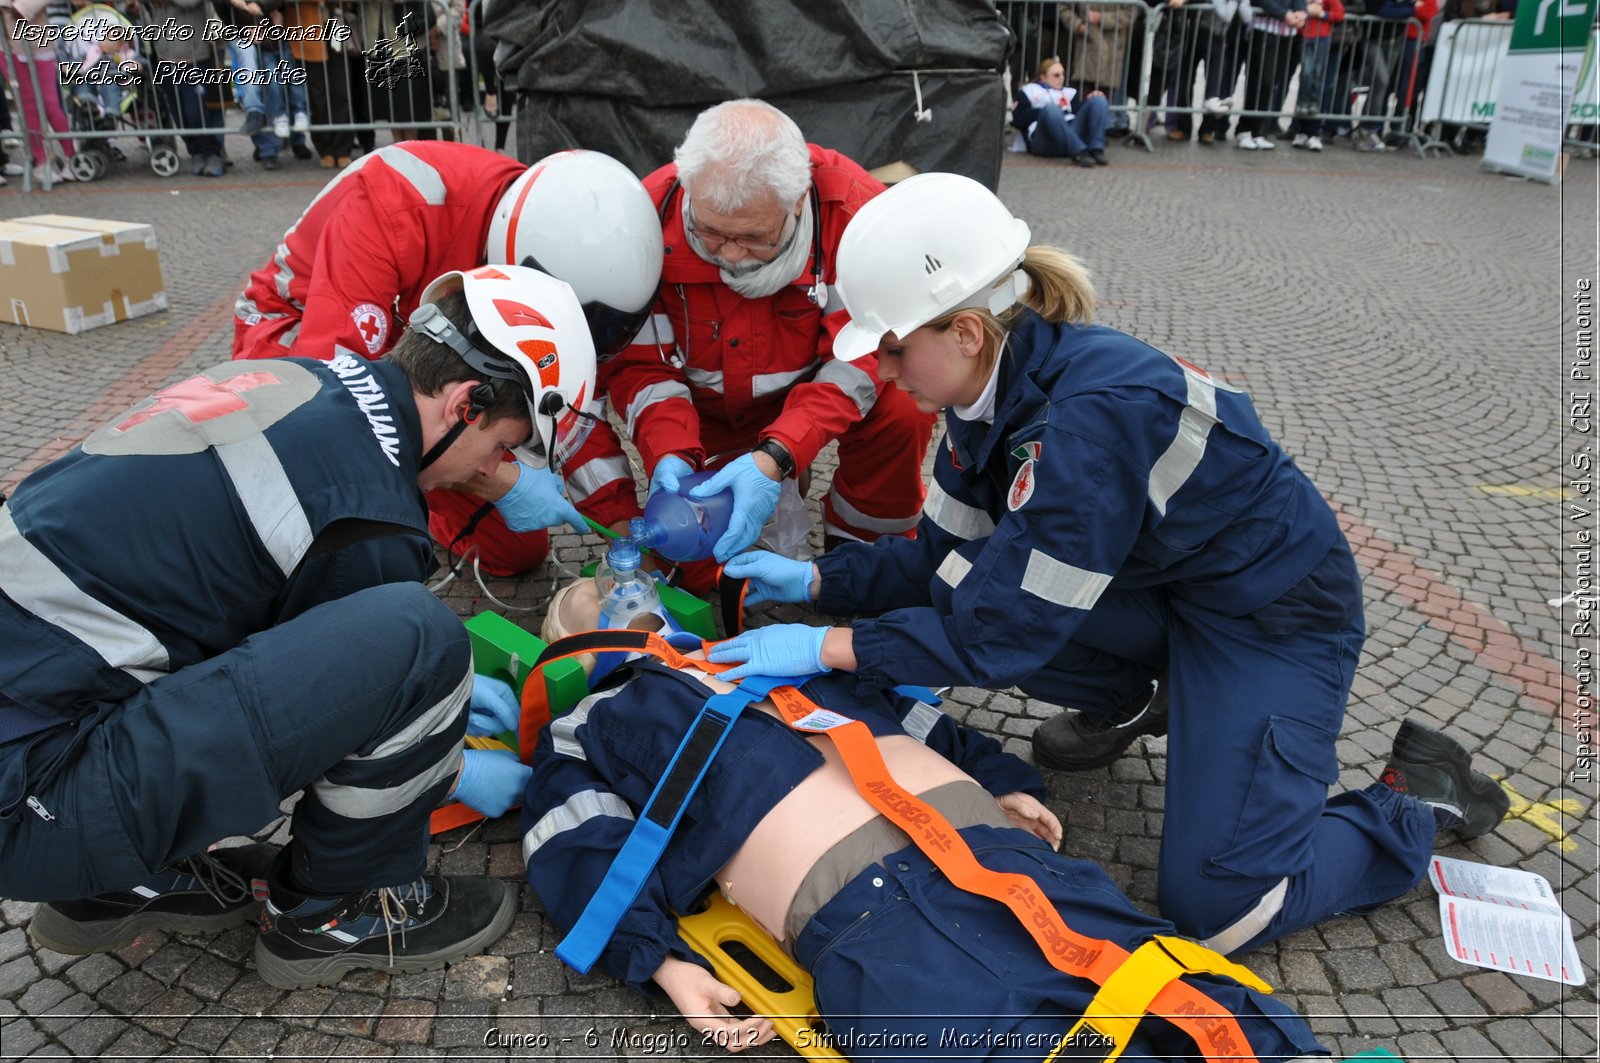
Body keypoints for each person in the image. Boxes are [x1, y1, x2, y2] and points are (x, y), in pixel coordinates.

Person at [706, 174, 1511, 957]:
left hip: (1275, 619)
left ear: (966, 333)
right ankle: (1149, 693)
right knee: (979, 584)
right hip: (1171, 593)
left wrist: (829, 648)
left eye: (892, 348)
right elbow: (943, 563)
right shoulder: (980, 395)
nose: (881, 371)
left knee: (1223, 907)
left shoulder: (1087, 421)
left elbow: (1001, 631)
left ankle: (1414, 802)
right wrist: (819, 582)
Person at [0, 265, 597, 988]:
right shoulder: (368, 520)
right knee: (421, 642)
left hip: (37, 705)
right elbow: (341, 699)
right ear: (466, 404)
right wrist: (453, 768)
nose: (497, 468)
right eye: (505, 446)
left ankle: (117, 877)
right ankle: (333, 909)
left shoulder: (300, 380)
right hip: (33, 790)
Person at [520, 576, 1330, 1062]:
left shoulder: (765, 652)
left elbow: (922, 722)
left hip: (998, 857)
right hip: (864, 919)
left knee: (1171, 981)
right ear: (576, 647)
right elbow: (581, 842)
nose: (626, 597)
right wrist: (660, 961)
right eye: (599, 602)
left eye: (632, 591)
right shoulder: (592, 720)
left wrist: (1005, 783)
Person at [232, 143, 664, 576]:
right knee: (353, 538)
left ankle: (416, 496)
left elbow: (562, 402)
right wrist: (499, 482)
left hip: (428, 374)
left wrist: (620, 524)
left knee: (513, 551)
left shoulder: (547, 227)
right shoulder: (393, 200)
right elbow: (335, 406)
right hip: (299, 343)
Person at [561, 99, 936, 580]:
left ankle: (866, 554)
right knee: (702, 570)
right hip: (703, 417)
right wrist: (670, 452)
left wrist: (782, 450)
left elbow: (858, 360)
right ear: (690, 188)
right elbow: (643, 368)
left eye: (755, 238)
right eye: (711, 233)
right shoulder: (645, 219)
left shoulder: (852, 214)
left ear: (798, 200)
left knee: (902, 407)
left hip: (813, 399)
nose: (733, 255)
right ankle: (765, 479)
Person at [1013, 56, 1112, 166]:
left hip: (1069, 132)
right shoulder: (1029, 90)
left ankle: (1096, 149)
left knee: (1099, 100)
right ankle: (1079, 152)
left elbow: (1077, 113)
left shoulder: (1069, 92)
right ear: (1043, 77)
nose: (1061, 78)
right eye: (1056, 75)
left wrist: (1088, 102)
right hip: (1043, 139)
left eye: (1063, 74)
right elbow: (1018, 119)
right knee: (1051, 109)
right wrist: (1043, 112)